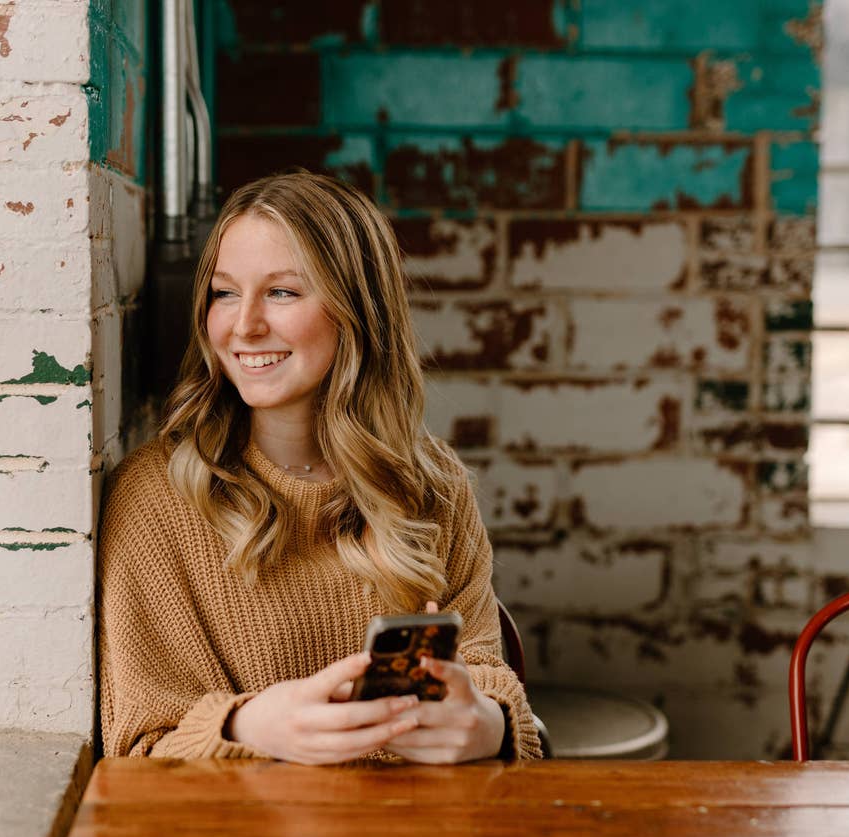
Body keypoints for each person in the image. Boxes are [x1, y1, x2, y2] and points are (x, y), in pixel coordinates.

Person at [98, 172, 542, 764]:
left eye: (282, 292)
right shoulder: (154, 498)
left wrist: (488, 725)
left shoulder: (433, 485)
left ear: (355, 310)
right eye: (224, 293)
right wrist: (246, 725)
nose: (245, 325)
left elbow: (486, 676)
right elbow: (138, 748)